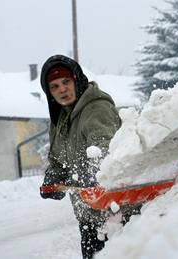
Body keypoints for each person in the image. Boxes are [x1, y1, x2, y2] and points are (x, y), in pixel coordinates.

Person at [39, 54, 132, 259]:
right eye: (54, 86)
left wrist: (96, 171)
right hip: (88, 216)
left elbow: (105, 146)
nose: (62, 90)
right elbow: (57, 159)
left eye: (65, 82)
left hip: (116, 214)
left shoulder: (96, 107)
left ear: (76, 79)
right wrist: (54, 175)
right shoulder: (61, 118)